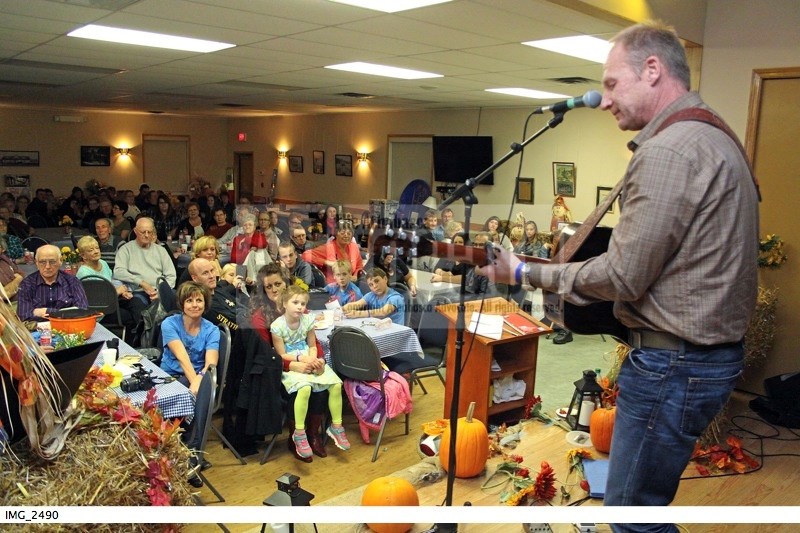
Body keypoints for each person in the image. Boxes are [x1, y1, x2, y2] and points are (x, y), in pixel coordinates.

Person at [477, 21, 759, 524]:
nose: (604, 100)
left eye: (611, 83)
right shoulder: (711, 131)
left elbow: (624, 278)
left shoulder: (669, 150)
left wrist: (524, 271)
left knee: (632, 513)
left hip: (675, 365)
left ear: (652, 70)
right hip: (701, 358)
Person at [243, 263, 332, 461]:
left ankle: (313, 434)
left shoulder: (299, 307)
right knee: (301, 390)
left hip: (305, 360)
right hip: (275, 369)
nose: (274, 290)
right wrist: (294, 365)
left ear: (287, 284)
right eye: (269, 286)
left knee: (321, 387)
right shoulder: (260, 318)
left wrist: (318, 360)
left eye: (278, 284)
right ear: (263, 290)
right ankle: (295, 438)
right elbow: (269, 355)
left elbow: (313, 341)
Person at [270, 285, 350, 459]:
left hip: (309, 359)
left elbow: (313, 345)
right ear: (284, 303)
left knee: (336, 384)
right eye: (295, 302)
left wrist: (315, 360)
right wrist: (301, 359)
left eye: (303, 303)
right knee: (304, 388)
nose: (300, 306)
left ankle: (336, 426)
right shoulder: (277, 326)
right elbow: (281, 354)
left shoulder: (308, 320)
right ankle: (299, 433)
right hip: (293, 362)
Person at [75, 235, 146, 344]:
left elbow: (113, 281)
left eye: (97, 248)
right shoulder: (84, 273)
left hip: (113, 301)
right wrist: (117, 291)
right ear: (83, 256)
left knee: (137, 302)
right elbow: (98, 299)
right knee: (128, 316)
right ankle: (133, 342)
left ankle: (144, 336)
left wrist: (124, 292)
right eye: (91, 250)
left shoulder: (103, 263)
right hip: (100, 310)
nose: (96, 251)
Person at [16, 244, 89, 322]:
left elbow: (82, 311)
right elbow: (23, 316)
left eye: (52, 262)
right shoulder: (27, 284)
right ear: (36, 263)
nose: (47, 266)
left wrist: (46, 311)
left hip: (68, 328)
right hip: (36, 330)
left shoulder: (72, 281)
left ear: (60, 261)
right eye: (42, 262)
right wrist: (65, 313)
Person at [114, 217, 177, 305]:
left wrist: (160, 292)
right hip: (137, 291)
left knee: (177, 298)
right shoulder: (126, 249)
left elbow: (171, 276)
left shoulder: (160, 250)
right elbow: (118, 272)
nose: (147, 235)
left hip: (158, 290)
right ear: (135, 231)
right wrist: (141, 282)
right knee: (137, 304)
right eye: (143, 232)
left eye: (149, 232)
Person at [302, 220, 363, 284]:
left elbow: (359, 265)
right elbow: (305, 255)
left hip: (351, 284)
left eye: (349, 233)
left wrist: (355, 275)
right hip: (333, 286)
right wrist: (327, 262)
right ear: (336, 234)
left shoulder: (354, 247)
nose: (346, 236)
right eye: (342, 233)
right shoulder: (328, 248)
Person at [0, 236, 24, 303]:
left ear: (2, 249)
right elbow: (3, 295)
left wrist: (19, 278)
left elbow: (21, 274)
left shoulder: (4, 259)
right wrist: (17, 280)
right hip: (5, 307)